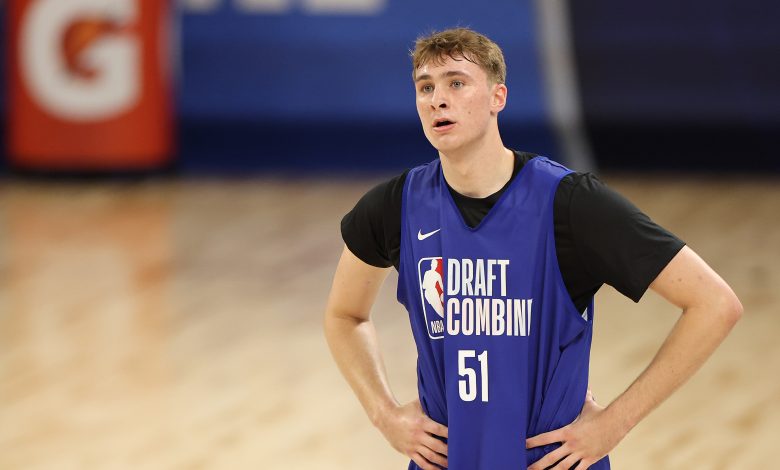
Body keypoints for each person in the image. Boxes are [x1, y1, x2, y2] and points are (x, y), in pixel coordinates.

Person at [323, 27, 742, 470]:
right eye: (425, 87)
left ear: (497, 97)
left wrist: (615, 423)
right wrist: (384, 414)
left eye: (456, 83)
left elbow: (715, 304)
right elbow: (344, 315)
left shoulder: (571, 203)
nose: (437, 100)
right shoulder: (395, 205)